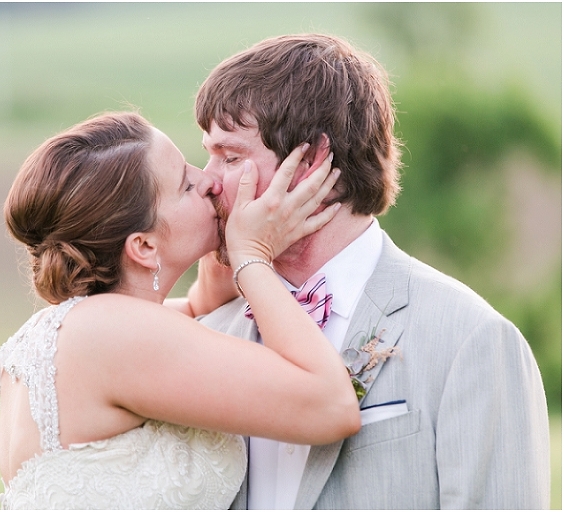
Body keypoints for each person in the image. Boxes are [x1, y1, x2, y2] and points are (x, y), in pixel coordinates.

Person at [192, 33, 551, 509]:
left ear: (310, 161)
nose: (206, 180)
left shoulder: (472, 339)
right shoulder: (208, 337)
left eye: (230, 156)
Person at [0, 111, 361, 509]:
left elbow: (198, 307)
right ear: (144, 247)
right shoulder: (114, 334)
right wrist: (251, 256)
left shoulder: (77, 328)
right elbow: (332, 405)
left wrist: (227, 245)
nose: (210, 182)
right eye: (186, 185)